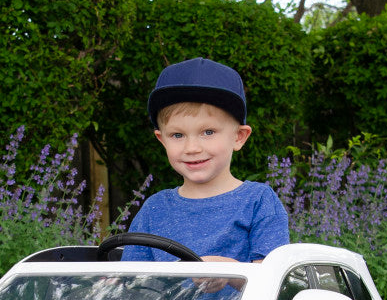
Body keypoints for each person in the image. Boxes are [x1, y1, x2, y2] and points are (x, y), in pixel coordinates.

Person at [120, 57, 290, 263]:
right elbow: (133, 283)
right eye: (177, 135)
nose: (192, 148)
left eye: (208, 132)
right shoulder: (153, 210)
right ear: (162, 139)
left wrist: (231, 273)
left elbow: (271, 282)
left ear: (239, 137)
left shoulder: (258, 201)